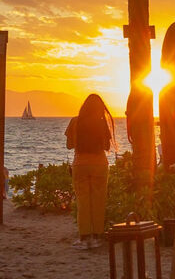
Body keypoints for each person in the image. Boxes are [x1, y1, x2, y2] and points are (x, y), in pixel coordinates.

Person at [66, 93, 116, 250]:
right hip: (99, 165)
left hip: (80, 164)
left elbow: (69, 145)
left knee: (83, 202)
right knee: (98, 201)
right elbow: (107, 147)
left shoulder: (75, 121)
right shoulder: (102, 124)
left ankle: (84, 238)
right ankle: (97, 237)